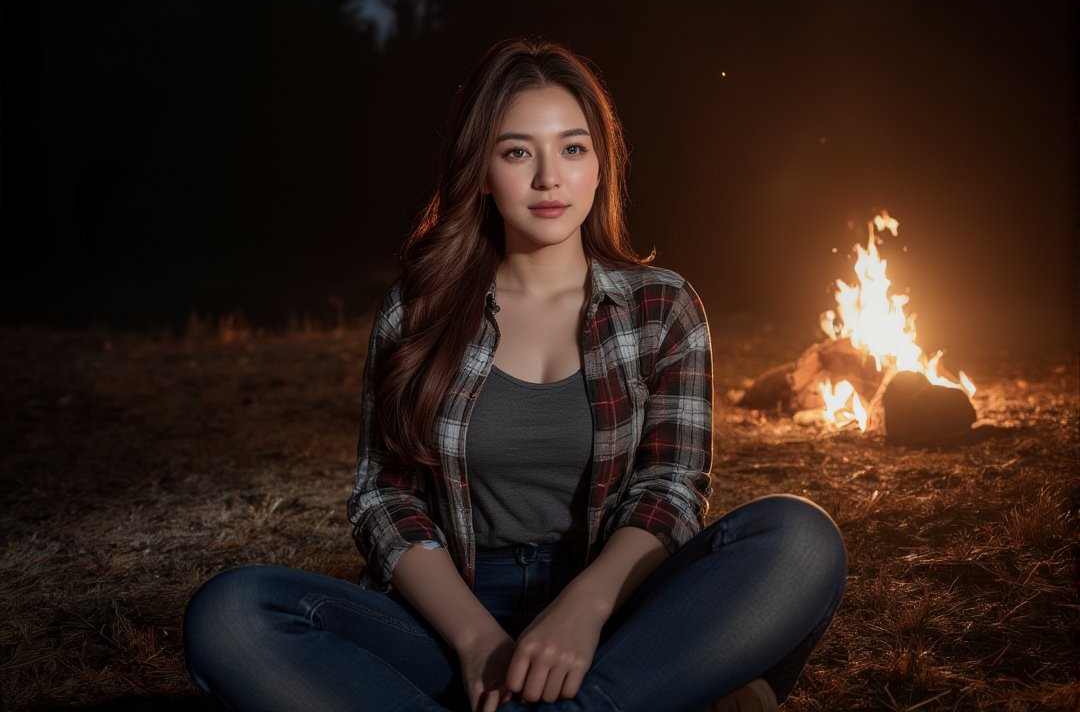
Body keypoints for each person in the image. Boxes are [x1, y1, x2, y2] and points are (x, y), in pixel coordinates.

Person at [183, 38, 846, 712]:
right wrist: (476, 641)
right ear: (480, 170)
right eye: (517, 151)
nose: (548, 179)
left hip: (617, 609)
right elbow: (385, 498)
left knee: (799, 540)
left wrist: (583, 611)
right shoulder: (418, 310)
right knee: (231, 614)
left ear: (600, 167)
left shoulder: (662, 307)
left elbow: (668, 489)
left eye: (572, 148)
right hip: (447, 619)